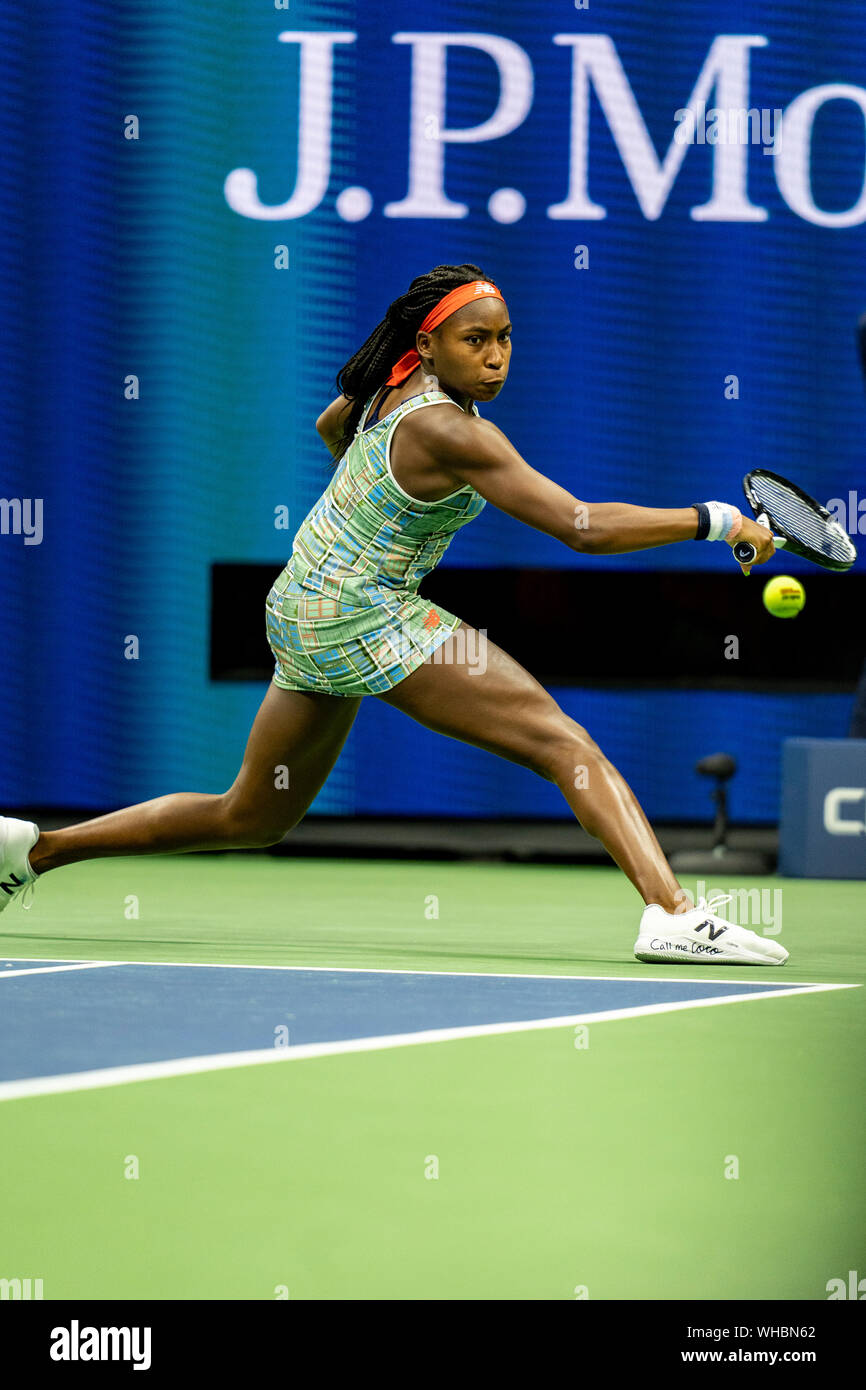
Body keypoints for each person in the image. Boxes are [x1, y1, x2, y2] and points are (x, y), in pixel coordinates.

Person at [0, 263, 783, 965]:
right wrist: (716, 519)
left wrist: (370, 504)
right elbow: (580, 526)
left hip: (302, 603)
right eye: (475, 339)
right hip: (361, 610)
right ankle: (672, 912)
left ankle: (31, 852)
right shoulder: (449, 430)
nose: (496, 355)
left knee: (251, 814)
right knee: (562, 742)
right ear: (430, 345)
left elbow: (330, 426)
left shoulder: (386, 389)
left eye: (505, 339)